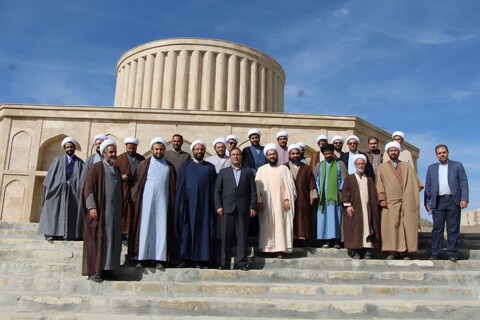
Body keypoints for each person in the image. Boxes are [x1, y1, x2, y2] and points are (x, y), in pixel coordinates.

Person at [128, 137, 176, 269]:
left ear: (164, 150)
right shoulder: (144, 165)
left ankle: (159, 259)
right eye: (156, 149)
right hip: (146, 202)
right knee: (144, 227)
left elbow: (172, 187)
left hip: (163, 202)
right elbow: (137, 185)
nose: (159, 151)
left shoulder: (169, 167)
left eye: (161, 149)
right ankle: (141, 258)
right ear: (152, 150)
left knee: (161, 228)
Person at [82, 139, 123, 282]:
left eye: (115, 152)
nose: (113, 154)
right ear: (104, 152)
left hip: (113, 214)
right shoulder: (96, 168)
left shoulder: (116, 169)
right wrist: (92, 206)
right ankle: (95, 271)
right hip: (100, 212)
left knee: (111, 240)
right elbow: (89, 188)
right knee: (97, 240)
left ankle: (108, 269)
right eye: (111, 152)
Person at [376, 141, 423, 260]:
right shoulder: (382, 167)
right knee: (392, 226)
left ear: (398, 152)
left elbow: (416, 184)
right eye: (391, 151)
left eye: (395, 150)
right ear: (388, 153)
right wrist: (382, 199)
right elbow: (379, 184)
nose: (393, 152)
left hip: (406, 201)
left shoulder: (407, 167)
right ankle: (393, 251)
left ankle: (405, 252)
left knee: (407, 226)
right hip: (391, 202)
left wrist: (410, 197)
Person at [174, 140, 217, 268]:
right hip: (188, 207)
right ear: (193, 151)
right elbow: (181, 186)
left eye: (202, 149)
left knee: (204, 232)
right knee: (187, 231)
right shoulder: (186, 165)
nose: (199, 151)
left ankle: (202, 259)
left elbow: (214, 187)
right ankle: (186, 259)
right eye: (197, 149)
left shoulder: (210, 167)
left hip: (205, 207)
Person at [214, 147, 257, 270]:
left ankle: (242, 262)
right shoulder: (223, 172)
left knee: (242, 237)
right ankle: (225, 263)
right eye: (233, 154)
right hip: (227, 209)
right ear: (230, 157)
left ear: (241, 156)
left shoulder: (248, 172)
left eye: (238, 154)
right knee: (226, 238)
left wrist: (253, 206)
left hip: (243, 209)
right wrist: (218, 206)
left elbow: (253, 191)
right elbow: (217, 191)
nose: (236, 156)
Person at [425, 145, 469, 262]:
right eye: (439, 153)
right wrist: (427, 202)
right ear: (436, 155)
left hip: (453, 201)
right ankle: (436, 253)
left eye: (444, 152)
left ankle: (452, 253)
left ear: (448, 152)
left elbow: (463, 183)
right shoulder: (431, 168)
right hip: (438, 201)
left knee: (453, 229)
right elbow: (428, 186)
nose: (442, 155)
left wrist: (464, 198)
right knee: (437, 228)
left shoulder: (457, 165)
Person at [38, 137, 85, 241]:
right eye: (67, 147)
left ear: (74, 148)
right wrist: (60, 183)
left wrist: (73, 184)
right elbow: (50, 178)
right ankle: (52, 233)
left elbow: (83, 180)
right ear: (65, 148)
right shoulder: (58, 161)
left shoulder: (80, 163)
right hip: (58, 191)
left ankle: (71, 234)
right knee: (54, 210)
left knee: (73, 212)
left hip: (73, 192)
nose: (69, 149)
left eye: (71, 147)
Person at [255, 143, 297, 258]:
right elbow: (257, 188)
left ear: (277, 155)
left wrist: (287, 199)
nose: (272, 156)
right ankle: (267, 248)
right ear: (266, 156)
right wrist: (259, 201)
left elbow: (290, 186)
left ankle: (280, 249)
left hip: (281, 203)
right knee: (266, 225)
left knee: (280, 225)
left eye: (274, 154)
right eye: (270, 154)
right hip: (266, 203)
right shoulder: (261, 170)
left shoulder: (284, 169)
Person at [341, 154, 381, 259]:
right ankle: (356, 251)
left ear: (365, 164)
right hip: (355, 209)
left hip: (367, 209)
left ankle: (368, 250)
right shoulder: (349, 179)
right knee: (355, 229)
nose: (360, 165)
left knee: (368, 229)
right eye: (358, 163)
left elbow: (374, 195)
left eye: (362, 163)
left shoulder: (369, 179)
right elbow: (345, 193)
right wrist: (348, 205)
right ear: (355, 165)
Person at [314, 143, 347, 248]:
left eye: (330, 153)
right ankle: (326, 240)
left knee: (336, 218)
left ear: (333, 153)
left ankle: (336, 240)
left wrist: (341, 191)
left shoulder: (340, 164)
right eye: (326, 154)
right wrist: (318, 192)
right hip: (323, 198)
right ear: (323, 154)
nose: (328, 155)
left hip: (336, 197)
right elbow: (316, 180)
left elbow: (345, 179)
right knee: (324, 219)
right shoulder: (319, 165)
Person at [284, 144, 317, 245]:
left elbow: (312, 183)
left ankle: (302, 238)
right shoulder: (284, 167)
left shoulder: (306, 168)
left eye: (297, 153)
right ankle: (290, 239)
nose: (295, 155)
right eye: (293, 154)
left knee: (303, 217)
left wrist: (313, 196)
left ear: (300, 154)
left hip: (303, 197)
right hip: (288, 197)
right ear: (289, 155)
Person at [115, 137, 145, 240]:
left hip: (136, 189)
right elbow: (114, 174)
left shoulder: (141, 159)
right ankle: (122, 232)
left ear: (136, 147)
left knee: (135, 210)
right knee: (123, 210)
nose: (131, 150)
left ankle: (132, 232)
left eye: (133, 148)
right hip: (123, 189)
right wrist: (121, 177)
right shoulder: (119, 159)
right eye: (129, 148)